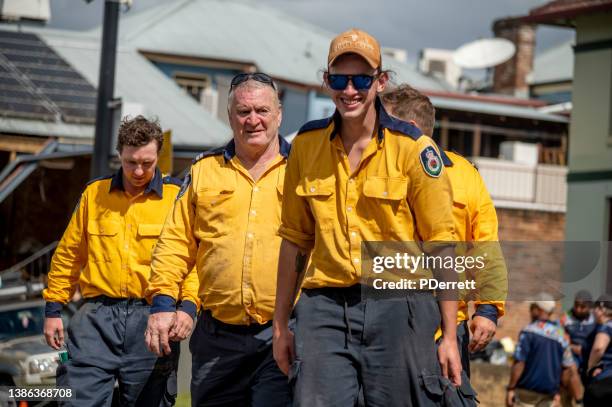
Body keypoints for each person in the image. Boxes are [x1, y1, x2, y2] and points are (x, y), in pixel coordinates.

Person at [273, 28, 471, 407]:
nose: (349, 91)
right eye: (339, 80)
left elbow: (442, 243)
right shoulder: (305, 146)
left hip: (399, 306)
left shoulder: (413, 149)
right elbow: (295, 239)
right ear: (326, 82)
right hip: (324, 308)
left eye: (361, 79)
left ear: (380, 82)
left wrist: (449, 334)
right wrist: (281, 325)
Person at [144, 72, 292, 407]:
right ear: (230, 117)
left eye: (262, 111)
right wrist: (163, 304)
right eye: (243, 112)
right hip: (216, 339)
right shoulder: (203, 171)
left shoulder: (303, 170)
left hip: (281, 334)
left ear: (279, 114)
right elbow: (174, 244)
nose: (252, 119)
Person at [43, 116, 199, 406]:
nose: (139, 171)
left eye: (147, 162)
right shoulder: (94, 194)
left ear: (158, 156)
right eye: (131, 162)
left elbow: (191, 261)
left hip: (152, 319)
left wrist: (188, 307)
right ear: (120, 156)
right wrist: (54, 308)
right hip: (96, 319)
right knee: (76, 399)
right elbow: (68, 255)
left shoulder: (177, 198)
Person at [380, 84, 507, 376]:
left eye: (384, 125)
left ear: (410, 128)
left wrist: (488, 310)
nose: (377, 132)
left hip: (447, 327)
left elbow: (485, 245)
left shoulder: (465, 175)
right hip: (385, 320)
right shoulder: (370, 169)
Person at [506, 297, 576, 407]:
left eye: (532, 308)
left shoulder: (528, 331)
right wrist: (558, 391)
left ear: (539, 309)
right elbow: (568, 369)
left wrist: (511, 388)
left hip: (526, 394)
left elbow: (519, 363)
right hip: (549, 396)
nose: (530, 311)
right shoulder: (562, 336)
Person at [583, 294, 612, 406]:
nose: (593, 312)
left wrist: (591, 368)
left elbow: (598, 348)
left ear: (601, 309)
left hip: (604, 383)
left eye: (594, 308)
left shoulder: (606, 327)